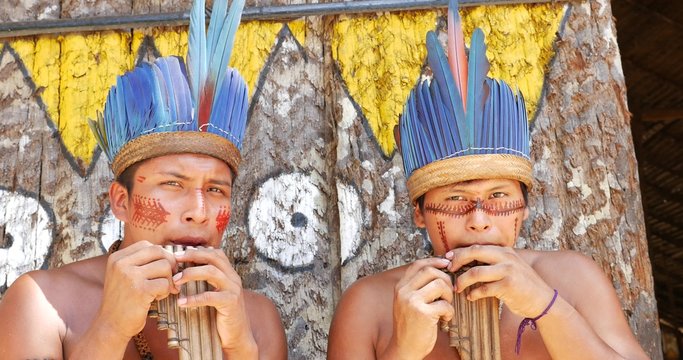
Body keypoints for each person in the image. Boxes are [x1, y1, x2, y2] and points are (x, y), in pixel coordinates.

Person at [327, 0, 649, 359]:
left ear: (524, 207)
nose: (479, 220)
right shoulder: (369, 306)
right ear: (418, 213)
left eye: (498, 196)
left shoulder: (573, 280)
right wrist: (404, 347)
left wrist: (546, 306)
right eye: (454, 200)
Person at [0, 0, 287, 358]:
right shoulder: (41, 303)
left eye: (215, 189)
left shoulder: (256, 320)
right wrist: (112, 326)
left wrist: (241, 348)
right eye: (173, 184)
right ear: (122, 201)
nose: (198, 212)